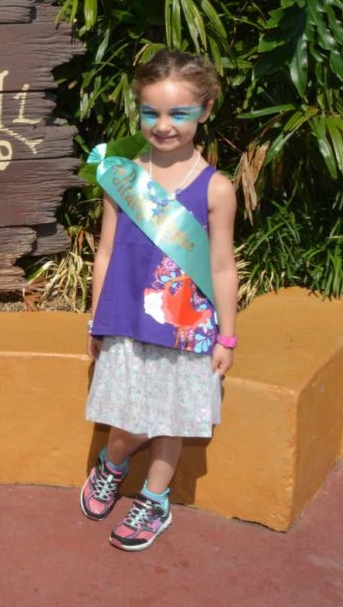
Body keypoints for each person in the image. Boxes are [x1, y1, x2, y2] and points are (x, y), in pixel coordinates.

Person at [79, 49, 239, 551]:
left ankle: (155, 498)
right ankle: (113, 463)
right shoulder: (120, 175)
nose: (163, 125)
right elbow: (105, 251)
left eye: (178, 113)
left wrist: (227, 335)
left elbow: (220, 267)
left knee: (173, 419)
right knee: (126, 418)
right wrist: (95, 319)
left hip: (188, 327)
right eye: (151, 112)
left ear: (205, 110)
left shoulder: (216, 189)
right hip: (126, 319)